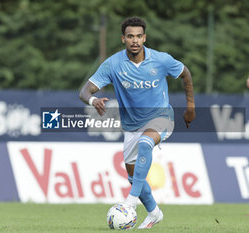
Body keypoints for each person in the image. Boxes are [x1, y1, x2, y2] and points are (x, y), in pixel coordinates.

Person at [79, 16, 195, 229]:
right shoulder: (113, 64)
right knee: (135, 179)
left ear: (145, 38)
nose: (135, 40)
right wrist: (94, 100)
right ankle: (154, 213)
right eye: (130, 36)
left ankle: (130, 202)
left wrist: (190, 107)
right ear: (123, 38)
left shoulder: (161, 60)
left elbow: (185, 74)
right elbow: (85, 91)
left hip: (162, 118)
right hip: (131, 126)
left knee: (145, 142)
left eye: (139, 36)